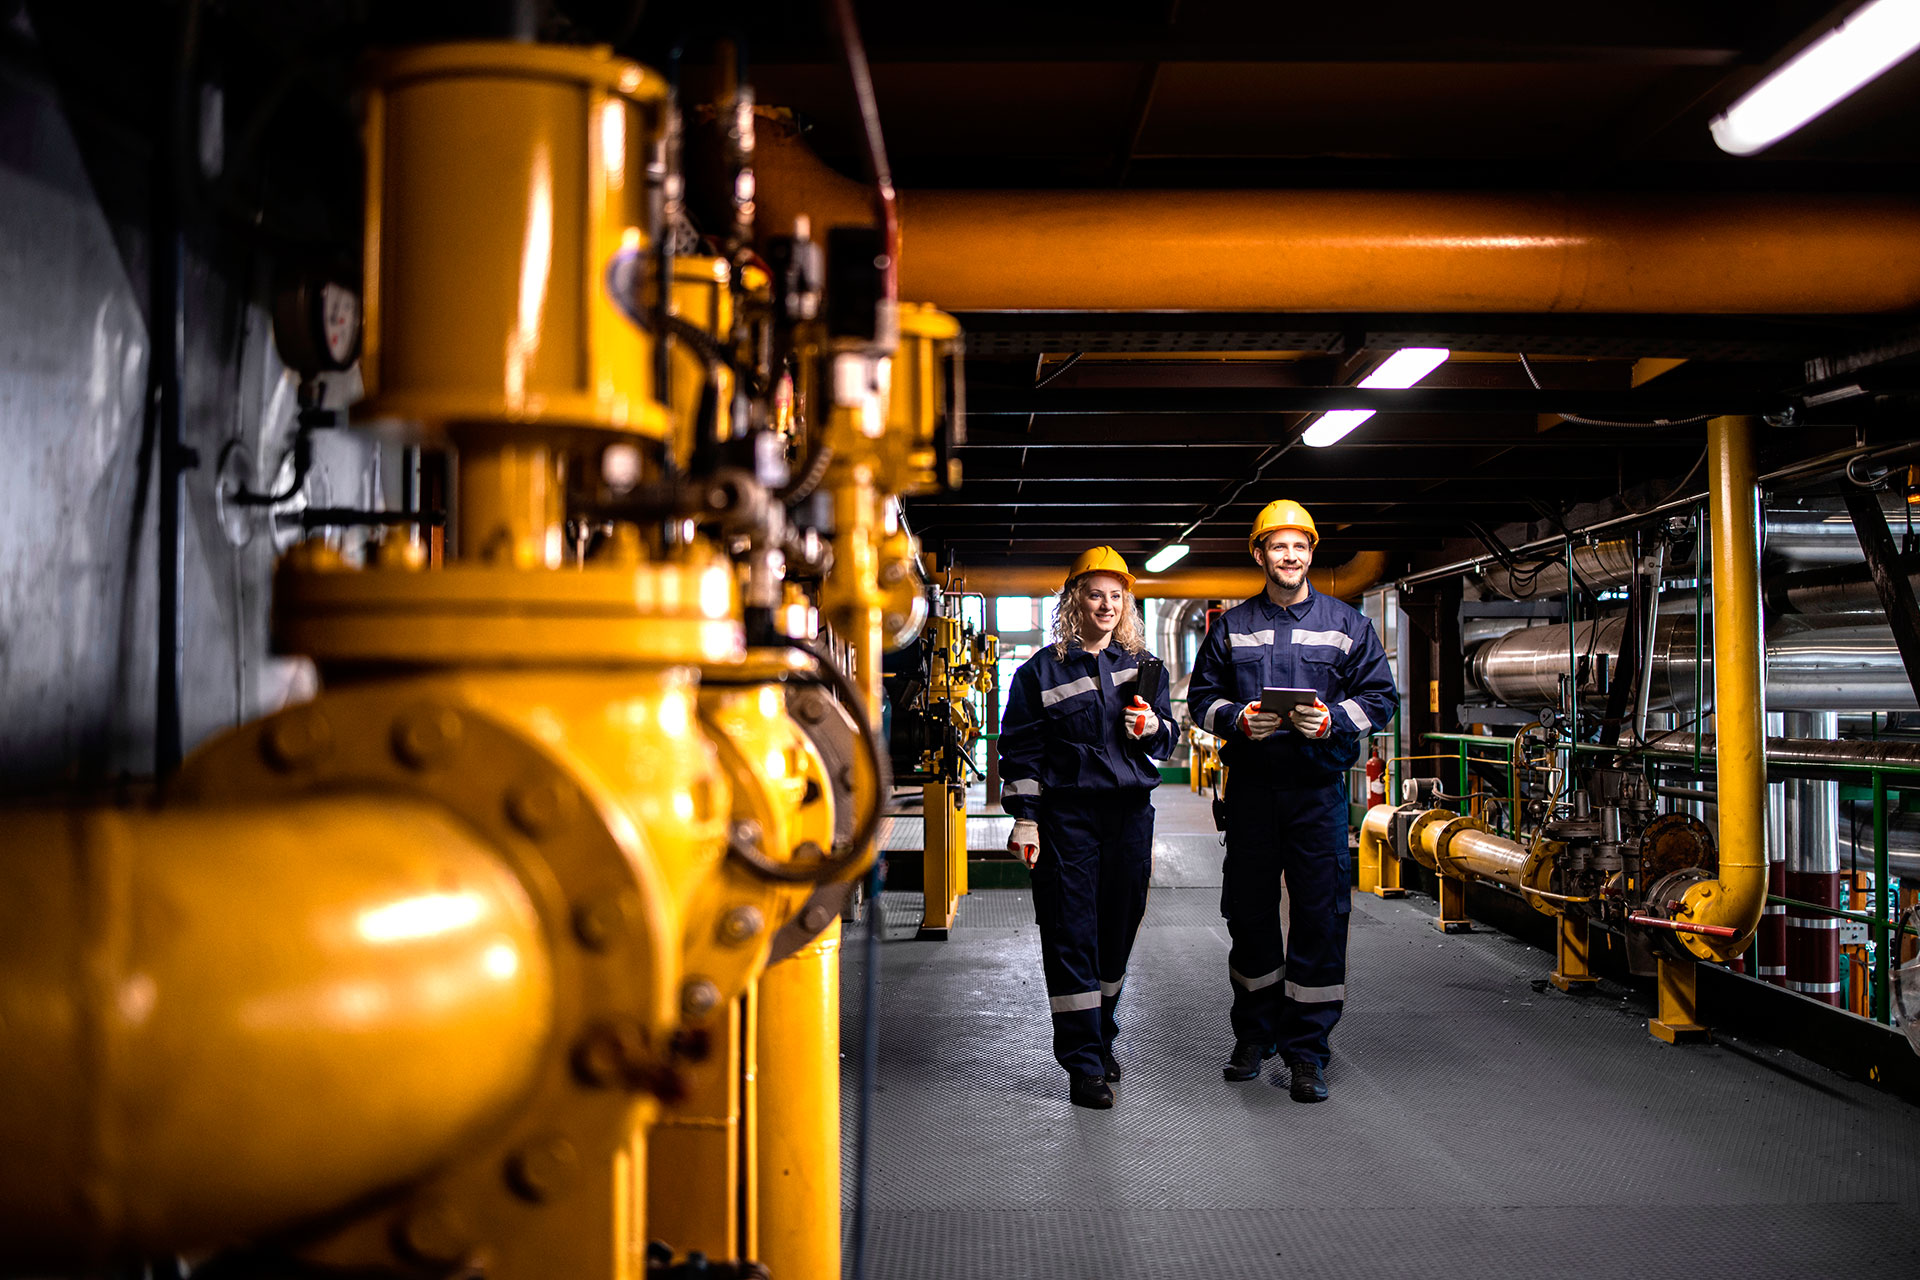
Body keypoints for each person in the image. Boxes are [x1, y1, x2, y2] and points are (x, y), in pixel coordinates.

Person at [1185, 499, 1398, 1103]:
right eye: (1278, 546)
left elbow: (1380, 697)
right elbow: (1202, 698)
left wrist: (1332, 720)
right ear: (1259, 554)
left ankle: (1307, 1050)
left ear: (1311, 553)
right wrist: (1235, 720)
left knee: (1320, 915)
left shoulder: (1347, 623)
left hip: (1316, 794)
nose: (1290, 556)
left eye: (1299, 546)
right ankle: (1254, 1034)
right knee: (1249, 913)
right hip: (1252, 792)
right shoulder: (1231, 626)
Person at [998, 546, 1179, 1110]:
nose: (1105, 604)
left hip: (1130, 816)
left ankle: (1101, 1034)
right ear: (1074, 599)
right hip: (1067, 818)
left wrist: (1152, 727)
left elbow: (1167, 739)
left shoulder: (1145, 668)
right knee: (1071, 930)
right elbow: (1021, 752)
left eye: (1115, 595)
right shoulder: (1038, 672)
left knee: (1118, 928)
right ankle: (1082, 1062)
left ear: (1126, 602)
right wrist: (1026, 821)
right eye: (1094, 593)